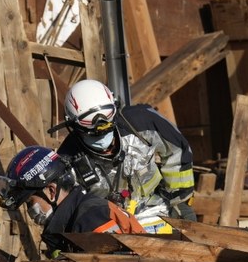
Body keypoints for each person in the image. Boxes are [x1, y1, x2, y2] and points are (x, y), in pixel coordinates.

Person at [55, 79, 196, 232]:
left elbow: (178, 150)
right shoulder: (67, 160)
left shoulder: (142, 123)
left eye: (107, 115)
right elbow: (64, 209)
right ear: (73, 125)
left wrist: (179, 199)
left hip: (155, 209)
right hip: (108, 224)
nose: (100, 126)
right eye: (89, 122)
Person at [0, 145, 145, 255]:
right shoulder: (74, 218)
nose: (30, 211)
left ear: (51, 191)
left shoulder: (90, 218)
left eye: (30, 202)